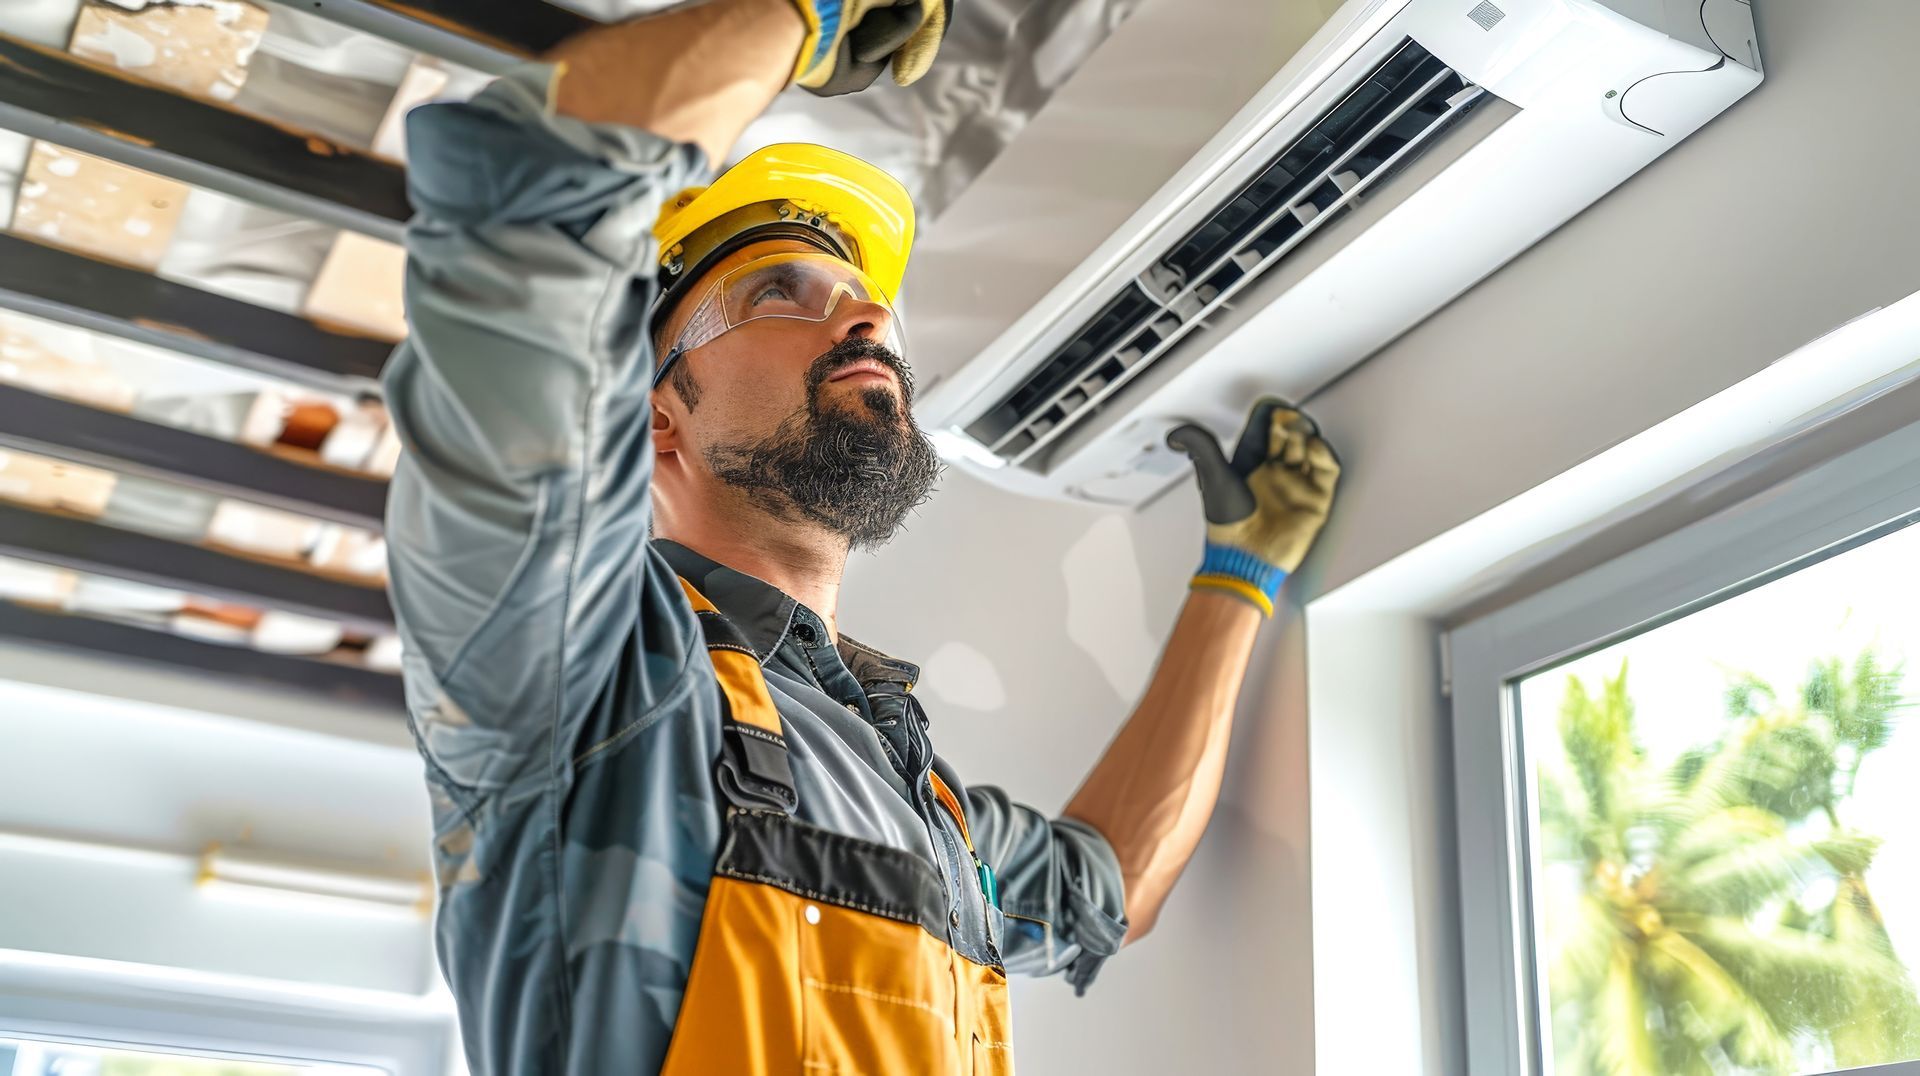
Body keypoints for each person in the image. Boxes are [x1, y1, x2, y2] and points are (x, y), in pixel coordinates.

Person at [380, 0, 1341, 1071]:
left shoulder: (915, 789)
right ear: (658, 412)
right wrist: (803, 14)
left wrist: (1241, 576)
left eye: (862, 298)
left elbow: (1105, 882)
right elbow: (527, 184)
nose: (865, 317)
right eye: (780, 293)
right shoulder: (583, 665)